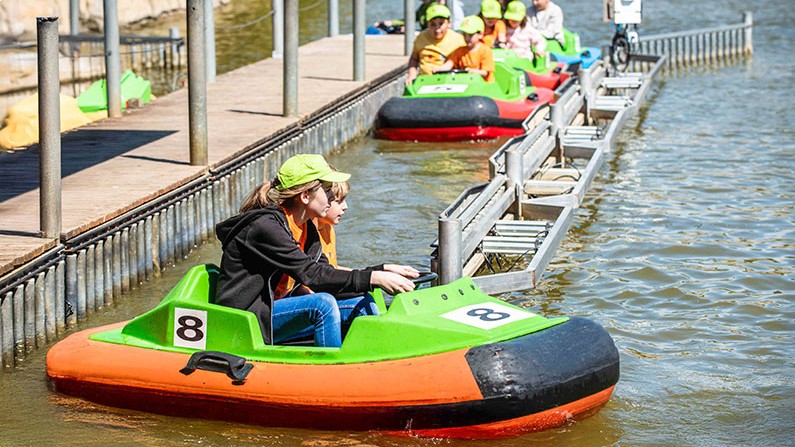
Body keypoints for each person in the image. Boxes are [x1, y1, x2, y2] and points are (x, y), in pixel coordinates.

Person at [213, 154, 417, 348]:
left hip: (274, 309)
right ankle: (332, 374)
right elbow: (311, 275)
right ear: (304, 196)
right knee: (323, 305)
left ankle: (376, 357)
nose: (331, 198)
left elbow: (326, 274)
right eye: (327, 191)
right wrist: (373, 277)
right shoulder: (265, 227)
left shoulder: (305, 227)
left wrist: (378, 274)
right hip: (244, 320)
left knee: (362, 302)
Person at [406, 3, 465, 85]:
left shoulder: (458, 39)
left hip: (450, 81)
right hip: (425, 81)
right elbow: (414, 58)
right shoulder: (421, 38)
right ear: (427, 24)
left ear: (449, 23)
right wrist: (412, 74)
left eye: (441, 24)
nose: (437, 29)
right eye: (433, 24)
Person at [433, 16, 495, 82]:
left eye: (470, 35)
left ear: (480, 34)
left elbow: (485, 73)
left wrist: (474, 72)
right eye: (464, 34)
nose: (467, 38)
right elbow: (449, 64)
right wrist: (440, 69)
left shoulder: (485, 51)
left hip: (483, 85)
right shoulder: (459, 51)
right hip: (465, 83)